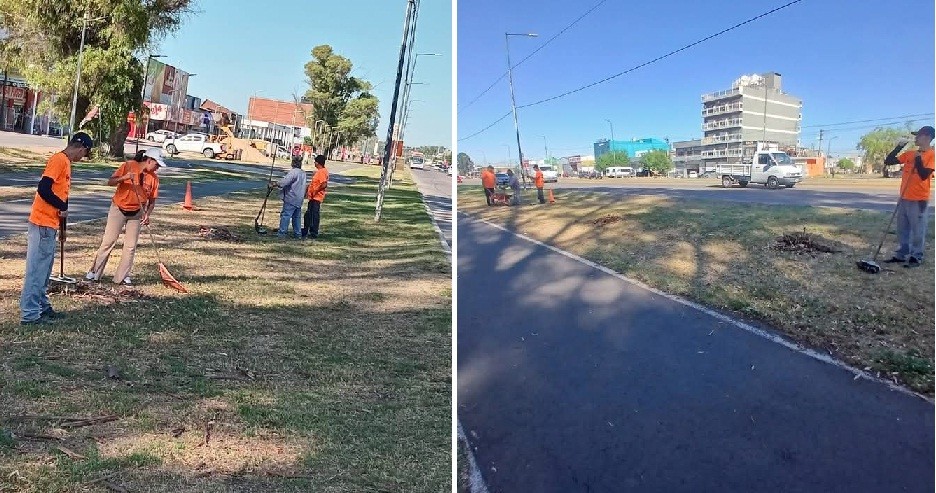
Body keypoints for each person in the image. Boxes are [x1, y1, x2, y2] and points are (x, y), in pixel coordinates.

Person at [20, 132, 93, 325]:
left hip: (51, 223)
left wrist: (63, 227)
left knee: (44, 270)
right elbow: (43, 189)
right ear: (80, 147)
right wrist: (60, 206)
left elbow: (63, 197)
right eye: (84, 154)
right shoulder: (58, 160)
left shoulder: (66, 163)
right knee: (36, 270)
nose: (82, 158)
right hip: (42, 222)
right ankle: (30, 314)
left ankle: (42, 307)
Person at [86, 148, 164, 285]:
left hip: (136, 212)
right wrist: (125, 177)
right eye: (156, 165)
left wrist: (147, 214)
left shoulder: (154, 179)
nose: (157, 168)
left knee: (130, 246)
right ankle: (94, 271)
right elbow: (110, 181)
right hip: (119, 208)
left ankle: (122, 276)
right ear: (149, 160)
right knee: (108, 241)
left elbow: (152, 201)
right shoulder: (128, 166)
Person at [882, 125, 934, 268]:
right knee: (902, 228)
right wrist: (899, 147)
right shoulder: (910, 153)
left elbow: (924, 175)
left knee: (918, 230)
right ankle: (902, 254)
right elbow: (889, 161)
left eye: (919, 135)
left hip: (919, 199)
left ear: (928, 137)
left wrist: (918, 160)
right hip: (904, 197)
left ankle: (916, 256)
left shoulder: (931, 155)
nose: (916, 138)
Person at [274, 153, 308, 239]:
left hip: (291, 197)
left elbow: (285, 182)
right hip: (299, 198)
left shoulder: (293, 172)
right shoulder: (303, 173)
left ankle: (282, 233)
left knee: (286, 215)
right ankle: (297, 234)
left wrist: (276, 184)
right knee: (296, 217)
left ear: (293, 163)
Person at [303, 155, 329, 239]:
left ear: (317, 163)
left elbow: (324, 184)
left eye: (315, 162)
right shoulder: (320, 171)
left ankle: (314, 231)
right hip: (312, 197)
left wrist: (315, 191)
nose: (314, 163)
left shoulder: (321, 172)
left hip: (316, 197)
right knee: (309, 214)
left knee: (314, 215)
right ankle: (307, 229)